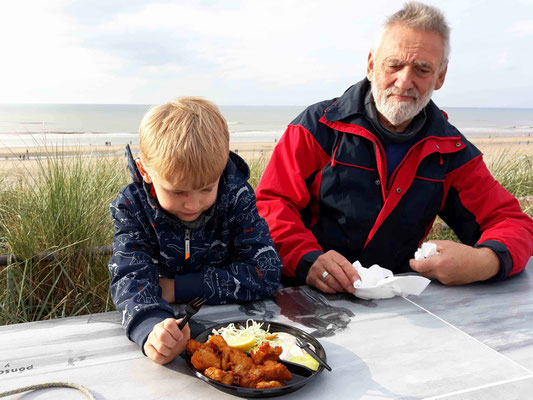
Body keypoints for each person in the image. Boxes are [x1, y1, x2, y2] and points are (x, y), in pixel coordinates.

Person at [256, 2, 533, 294]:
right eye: (394, 64)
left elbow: (512, 223)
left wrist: (483, 261)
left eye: (422, 69)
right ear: (371, 64)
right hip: (303, 295)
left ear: (440, 76)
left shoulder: (450, 150)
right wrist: (305, 259)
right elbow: (270, 205)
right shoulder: (316, 126)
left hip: (398, 302)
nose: (404, 81)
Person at [108, 97, 282, 364]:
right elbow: (129, 278)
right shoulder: (131, 206)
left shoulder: (236, 195)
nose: (192, 204)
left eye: (206, 188)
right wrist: (150, 327)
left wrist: (177, 288)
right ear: (145, 170)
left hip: (232, 325)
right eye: (177, 191)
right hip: (162, 317)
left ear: (222, 166)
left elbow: (266, 272)